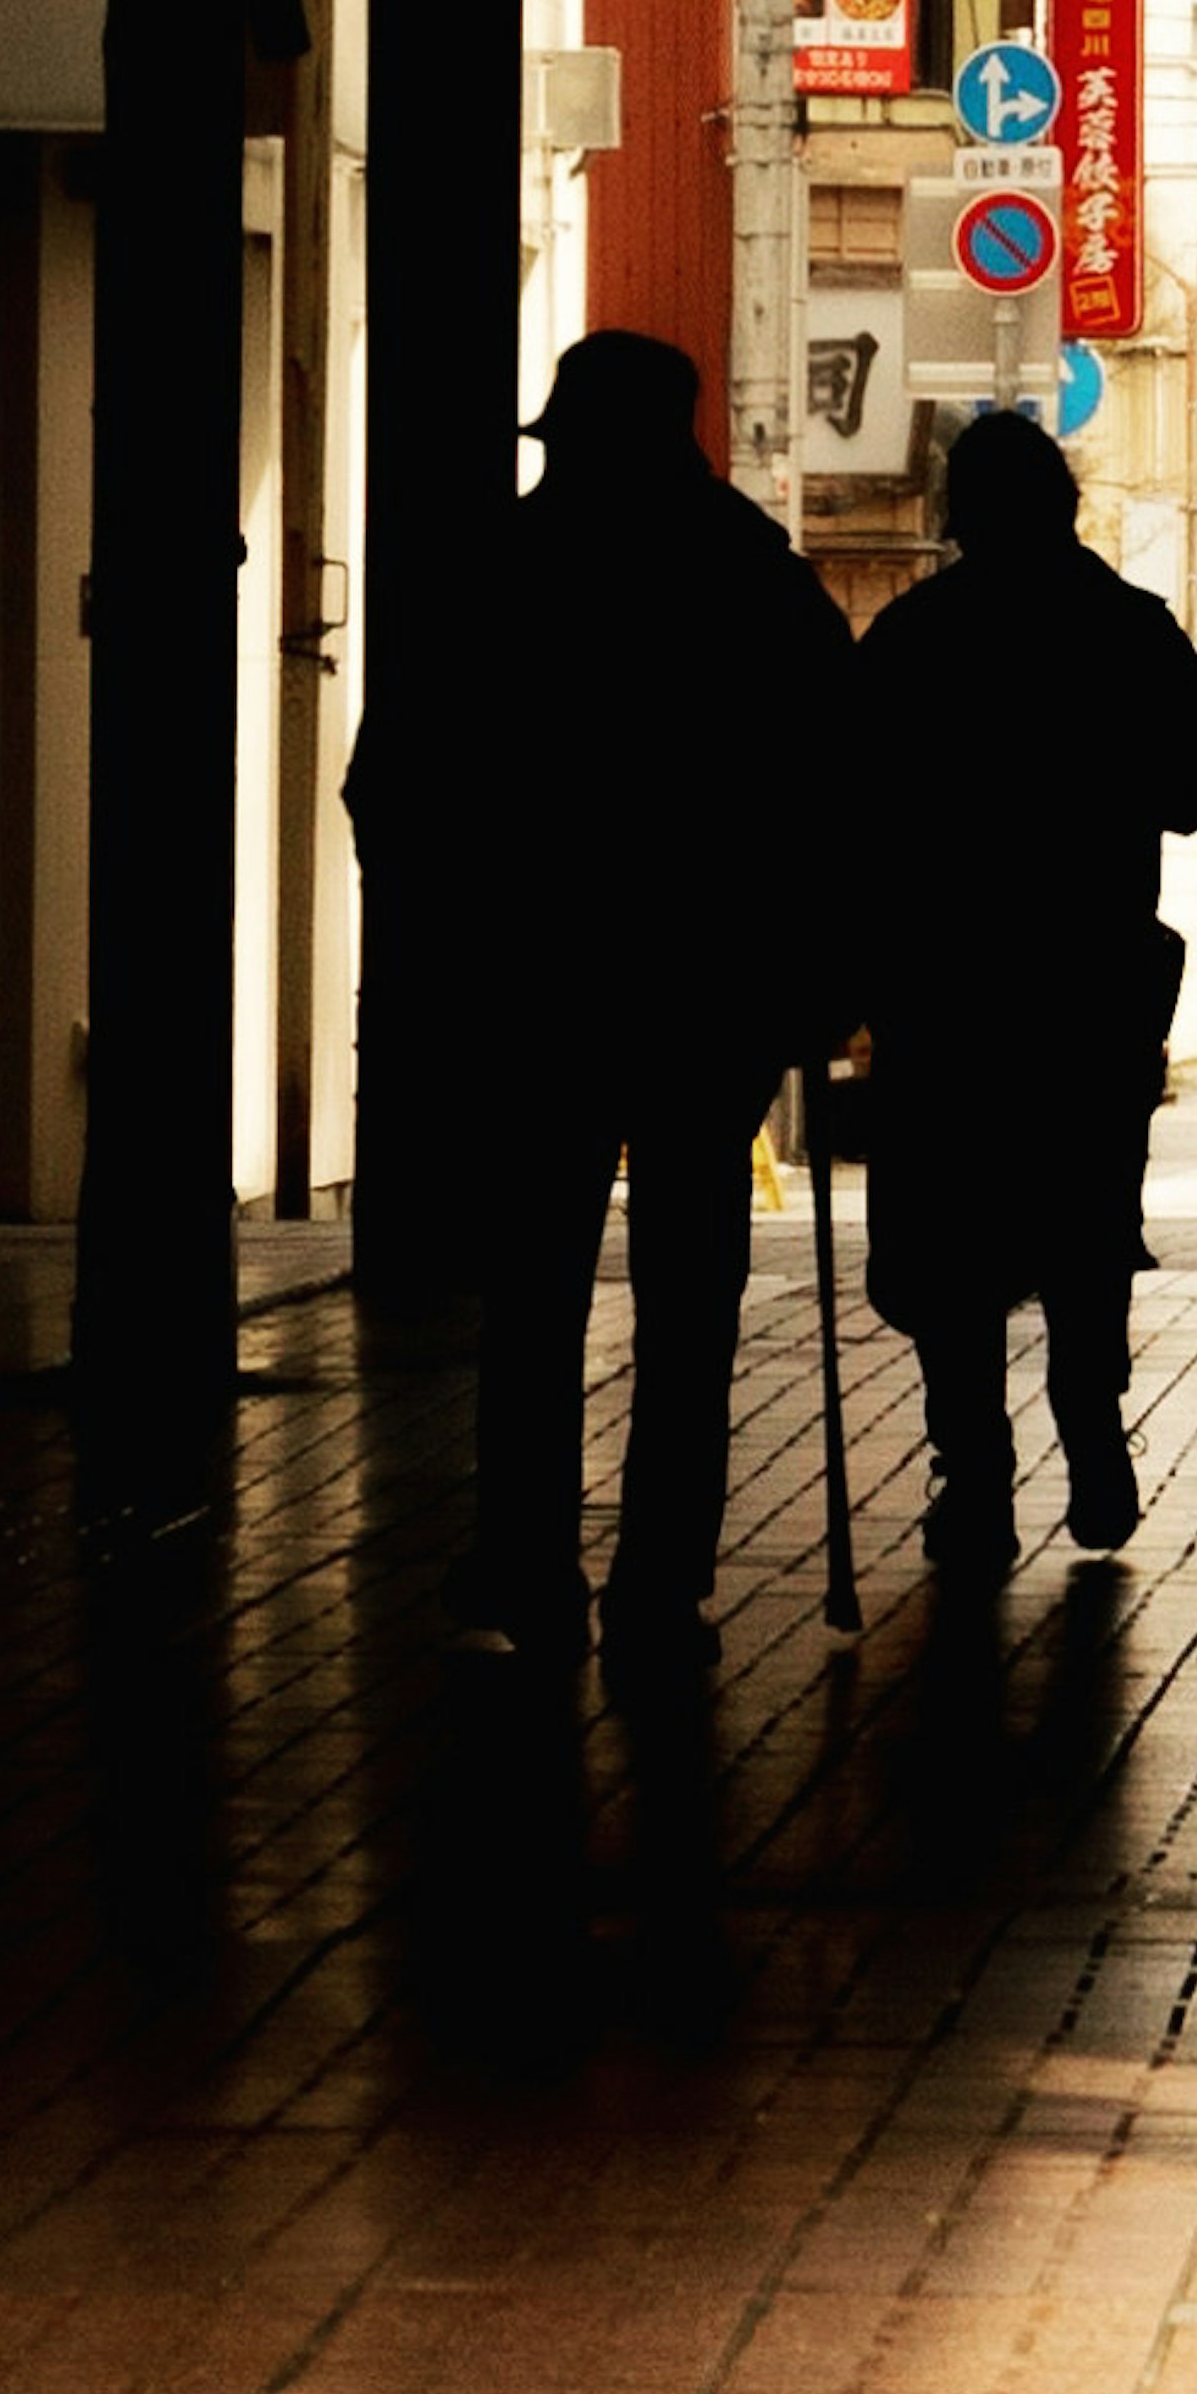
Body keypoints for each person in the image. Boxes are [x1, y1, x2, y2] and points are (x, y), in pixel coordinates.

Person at [353, 328, 854, 1664]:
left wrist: (426, 952)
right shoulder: (757, 581)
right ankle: (662, 1576)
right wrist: (820, 980)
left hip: (536, 988)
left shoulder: (492, 577)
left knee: (531, 1290)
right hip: (712, 990)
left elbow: (391, 786)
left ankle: (525, 1559)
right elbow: (840, 803)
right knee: (692, 1289)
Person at [851, 411, 1197, 1572]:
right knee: (1084, 1220)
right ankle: (1092, 1429)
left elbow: (845, 806)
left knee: (950, 1238)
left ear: (960, 515)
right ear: (1064, 508)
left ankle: (973, 1472)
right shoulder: (1127, 630)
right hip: (1086, 979)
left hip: (946, 987)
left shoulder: (917, 637)